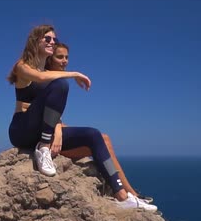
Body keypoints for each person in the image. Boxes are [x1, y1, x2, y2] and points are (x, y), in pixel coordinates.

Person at [7, 25, 156, 211]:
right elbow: (39, 77)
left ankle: (123, 196)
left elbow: (51, 110)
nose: (52, 42)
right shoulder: (22, 66)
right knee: (61, 85)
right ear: (35, 40)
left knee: (94, 135)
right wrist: (75, 74)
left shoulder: (49, 74)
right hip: (23, 130)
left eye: (54, 39)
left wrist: (58, 127)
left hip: (44, 131)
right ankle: (43, 148)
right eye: (47, 39)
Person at [45, 43, 153, 203]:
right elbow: (44, 113)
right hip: (49, 138)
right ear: (50, 59)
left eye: (67, 57)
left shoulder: (57, 80)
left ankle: (128, 192)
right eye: (59, 57)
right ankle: (128, 194)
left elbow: (53, 113)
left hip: (56, 131)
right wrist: (59, 131)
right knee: (101, 140)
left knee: (105, 139)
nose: (64, 61)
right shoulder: (47, 79)